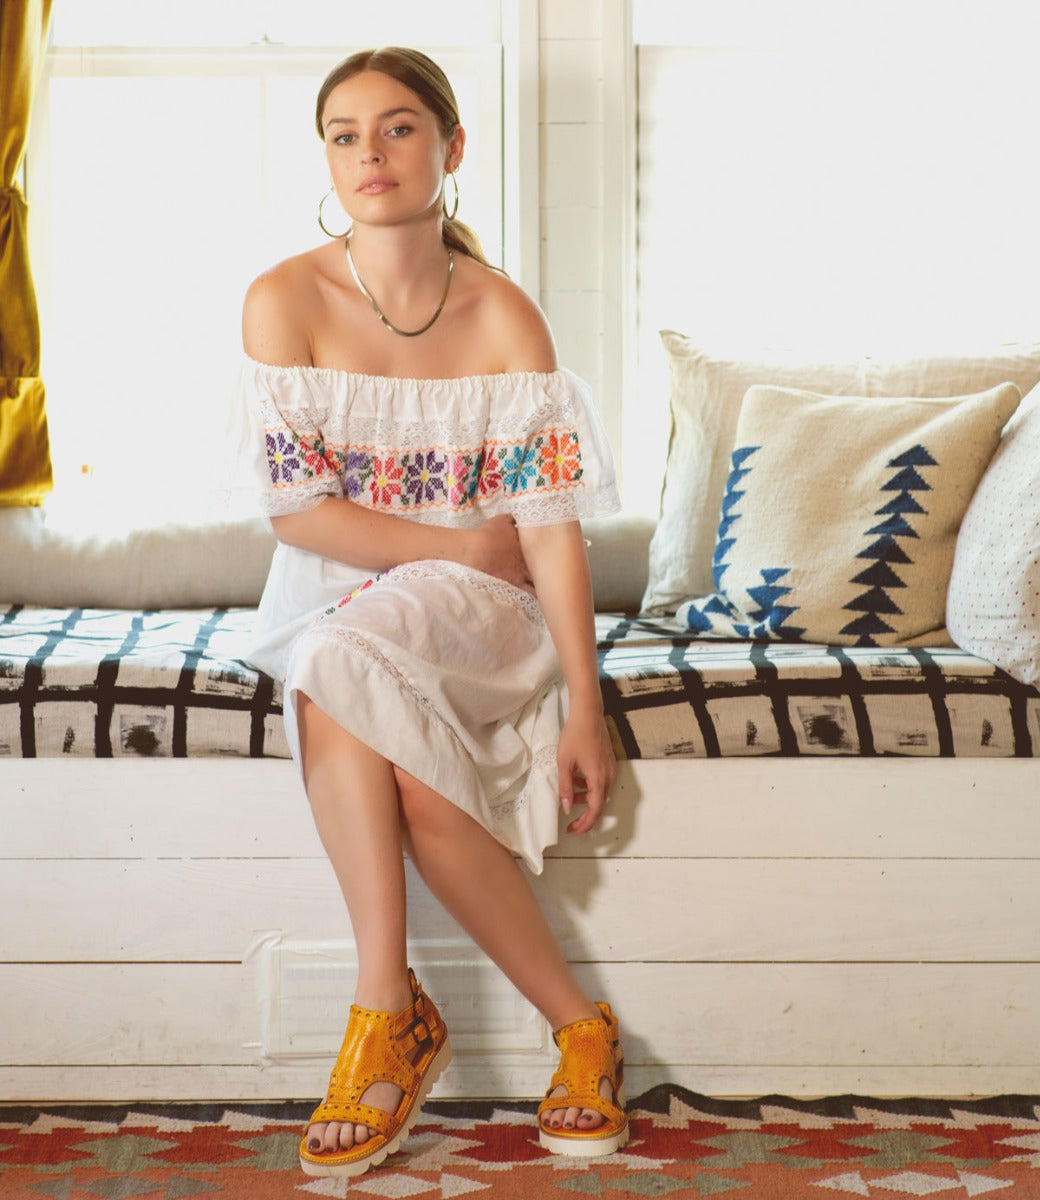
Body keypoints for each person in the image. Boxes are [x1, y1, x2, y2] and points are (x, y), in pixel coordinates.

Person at [238, 46, 628, 1179]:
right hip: (334, 593)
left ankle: (381, 1021)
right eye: (346, 133)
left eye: (399, 128)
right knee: (380, 721)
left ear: (451, 150)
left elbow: (547, 530)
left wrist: (582, 710)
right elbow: (299, 518)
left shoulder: (504, 317)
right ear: (326, 157)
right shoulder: (282, 300)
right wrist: (456, 536)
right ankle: (581, 1031)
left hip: (477, 610)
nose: (370, 153)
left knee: (338, 660)